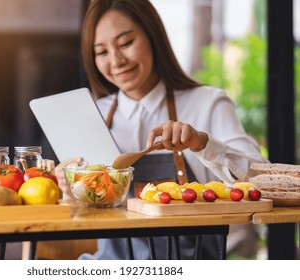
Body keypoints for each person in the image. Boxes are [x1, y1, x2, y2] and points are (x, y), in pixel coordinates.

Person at [55, 0, 269, 259]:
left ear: (153, 36)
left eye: (125, 43)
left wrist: (201, 143)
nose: (116, 60)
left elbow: (260, 182)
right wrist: (69, 191)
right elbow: (84, 215)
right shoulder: (92, 114)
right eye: (101, 52)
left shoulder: (208, 102)